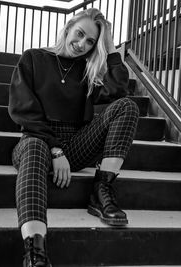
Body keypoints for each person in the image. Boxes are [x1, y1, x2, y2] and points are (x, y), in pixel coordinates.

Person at [8, 8, 139, 267]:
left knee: (127, 107)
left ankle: (101, 190)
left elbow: (119, 90)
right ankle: (35, 253)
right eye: (80, 34)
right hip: (37, 139)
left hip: (77, 143)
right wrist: (55, 149)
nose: (82, 45)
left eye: (91, 41)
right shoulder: (33, 58)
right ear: (68, 28)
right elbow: (23, 110)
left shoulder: (89, 70)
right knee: (35, 147)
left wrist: (110, 45)